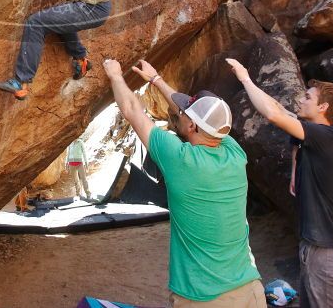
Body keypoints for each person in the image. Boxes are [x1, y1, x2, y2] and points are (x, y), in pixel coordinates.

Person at [104, 58, 265, 307]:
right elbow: (194, 119)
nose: (180, 114)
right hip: (250, 290)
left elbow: (133, 110)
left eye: (185, 114)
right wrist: (156, 79)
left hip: (204, 298)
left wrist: (115, 75)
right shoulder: (234, 152)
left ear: (191, 125)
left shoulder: (181, 159)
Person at [226, 58, 333, 308]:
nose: (301, 100)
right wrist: (296, 171)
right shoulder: (316, 134)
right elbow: (282, 112)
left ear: (323, 107)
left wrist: (244, 78)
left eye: (308, 97)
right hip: (313, 247)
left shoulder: (325, 136)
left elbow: (273, 114)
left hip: (326, 254)